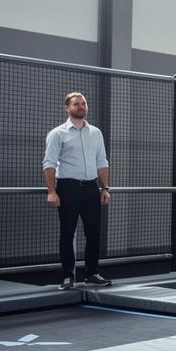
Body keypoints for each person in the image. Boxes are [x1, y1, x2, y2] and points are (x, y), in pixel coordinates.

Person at [42, 92, 112, 290]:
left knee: (94, 232)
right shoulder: (57, 134)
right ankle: (67, 276)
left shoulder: (95, 133)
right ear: (67, 108)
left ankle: (92, 273)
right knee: (67, 233)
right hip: (68, 188)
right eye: (76, 104)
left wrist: (105, 188)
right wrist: (52, 191)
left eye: (83, 103)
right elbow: (49, 164)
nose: (81, 106)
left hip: (91, 188)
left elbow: (102, 162)